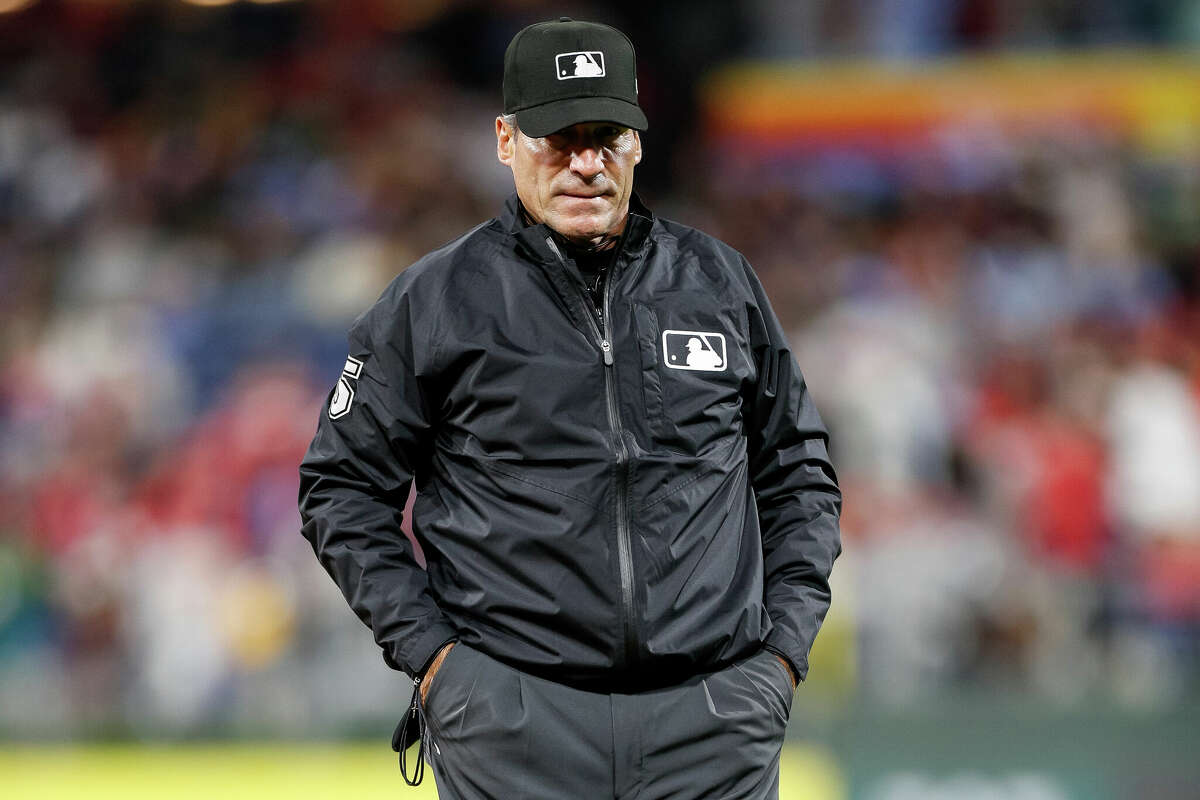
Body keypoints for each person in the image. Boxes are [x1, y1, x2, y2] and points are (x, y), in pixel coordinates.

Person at [298, 17, 841, 800]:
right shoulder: (435, 301)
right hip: (515, 725)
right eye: (559, 138)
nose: (586, 164)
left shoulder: (719, 284)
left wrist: (780, 657)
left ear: (638, 143)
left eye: (606, 137)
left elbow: (799, 473)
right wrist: (440, 663)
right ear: (505, 140)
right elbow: (342, 489)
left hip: (711, 724)